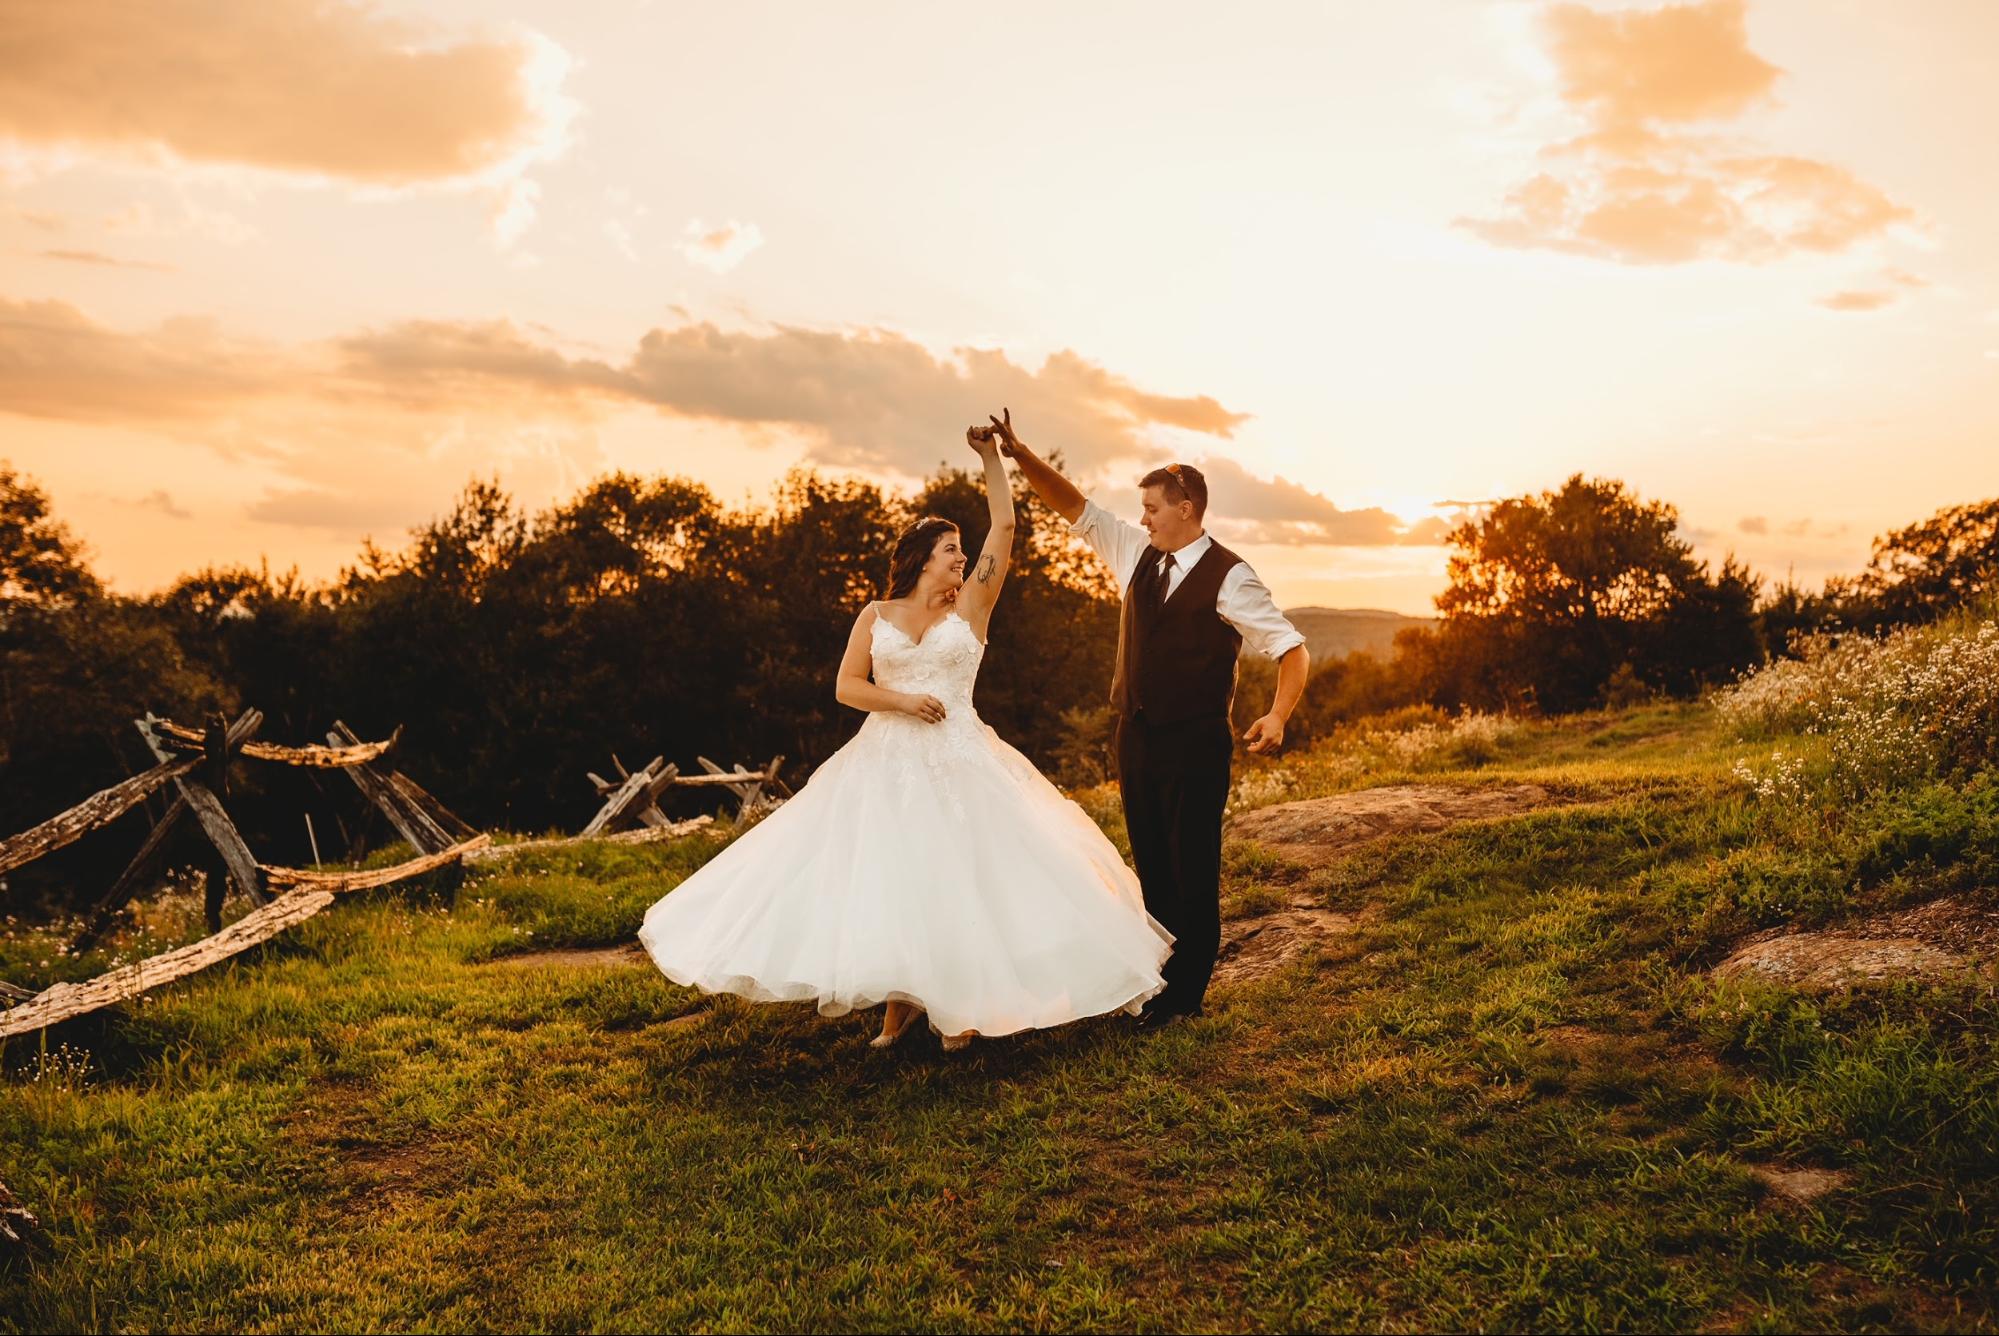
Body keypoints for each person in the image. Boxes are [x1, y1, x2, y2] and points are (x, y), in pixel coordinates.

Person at [638, 426, 1171, 1051]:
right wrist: (902, 702)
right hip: (884, 761)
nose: (961, 559)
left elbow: (1004, 528)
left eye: (962, 552)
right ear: (922, 556)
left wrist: (990, 458)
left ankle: (963, 1001)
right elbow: (846, 687)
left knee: (964, 874)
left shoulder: (972, 608)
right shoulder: (876, 615)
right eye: (951, 549)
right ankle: (903, 1004)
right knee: (897, 874)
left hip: (962, 758)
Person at [988, 408, 1309, 1026]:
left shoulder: (1230, 576)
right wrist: (1020, 453)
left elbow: (1292, 648)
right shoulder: (1135, 552)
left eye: (1153, 509)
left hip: (1195, 742)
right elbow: (1073, 505)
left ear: (1186, 506)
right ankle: (1159, 979)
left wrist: (1277, 714)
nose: (1142, 519)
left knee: (1193, 864)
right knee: (1152, 864)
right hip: (1134, 736)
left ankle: (1186, 996)